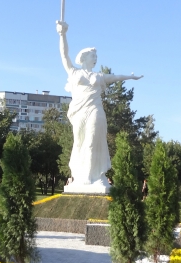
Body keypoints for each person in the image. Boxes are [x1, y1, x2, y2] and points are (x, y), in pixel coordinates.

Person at [56, 20, 143, 192]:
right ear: (84, 58)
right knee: (79, 141)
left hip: (95, 110)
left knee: (91, 141)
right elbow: (64, 55)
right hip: (79, 111)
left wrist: (130, 77)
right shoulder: (74, 72)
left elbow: (116, 77)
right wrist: (62, 34)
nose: (95, 59)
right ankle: (79, 175)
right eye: (93, 56)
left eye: (96, 57)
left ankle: (91, 176)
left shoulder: (99, 76)